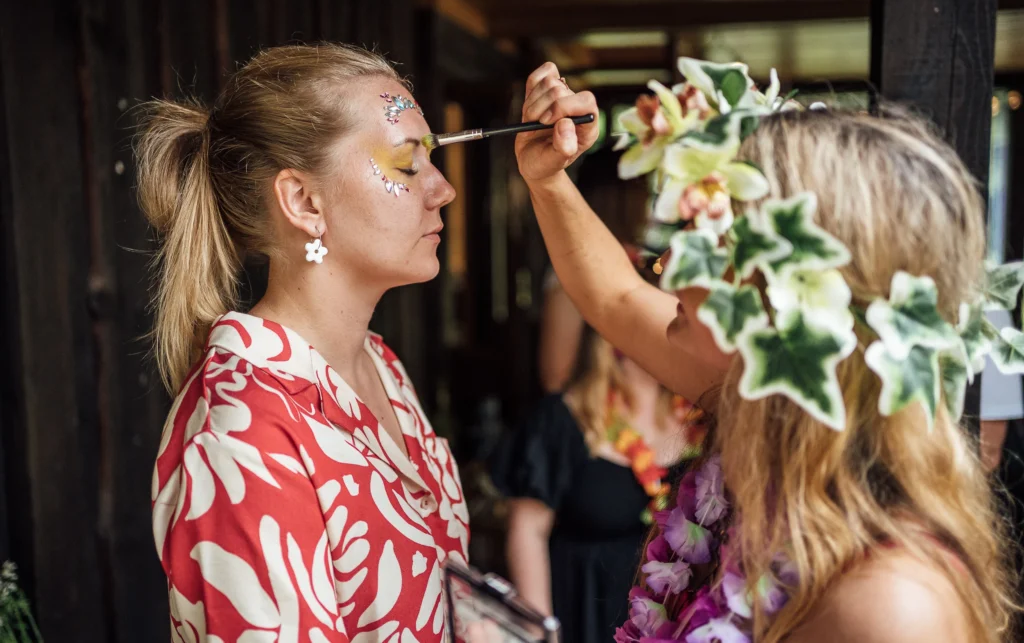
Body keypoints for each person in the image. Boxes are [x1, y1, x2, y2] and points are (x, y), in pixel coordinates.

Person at [513, 59, 1021, 642]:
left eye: (711, 243)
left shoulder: (892, 602)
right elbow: (617, 298)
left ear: (792, 301)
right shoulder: (745, 397)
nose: (671, 267)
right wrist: (548, 182)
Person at [140, 44, 467, 643]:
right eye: (406, 165)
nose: (442, 189)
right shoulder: (242, 434)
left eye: (434, 160)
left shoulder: (379, 366)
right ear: (304, 202)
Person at [502, 325, 704, 643]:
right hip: (587, 614)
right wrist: (540, 632)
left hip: (677, 620)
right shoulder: (563, 419)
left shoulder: (700, 421)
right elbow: (528, 532)